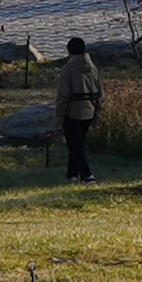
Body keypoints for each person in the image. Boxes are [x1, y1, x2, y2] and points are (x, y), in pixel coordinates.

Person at [54, 37, 103, 183]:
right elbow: (100, 93)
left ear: (69, 52)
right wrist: (97, 113)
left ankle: (87, 175)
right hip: (90, 110)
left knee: (75, 145)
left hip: (72, 111)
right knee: (78, 142)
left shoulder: (68, 69)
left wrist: (60, 115)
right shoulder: (93, 68)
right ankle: (72, 175)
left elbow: (63, 95)